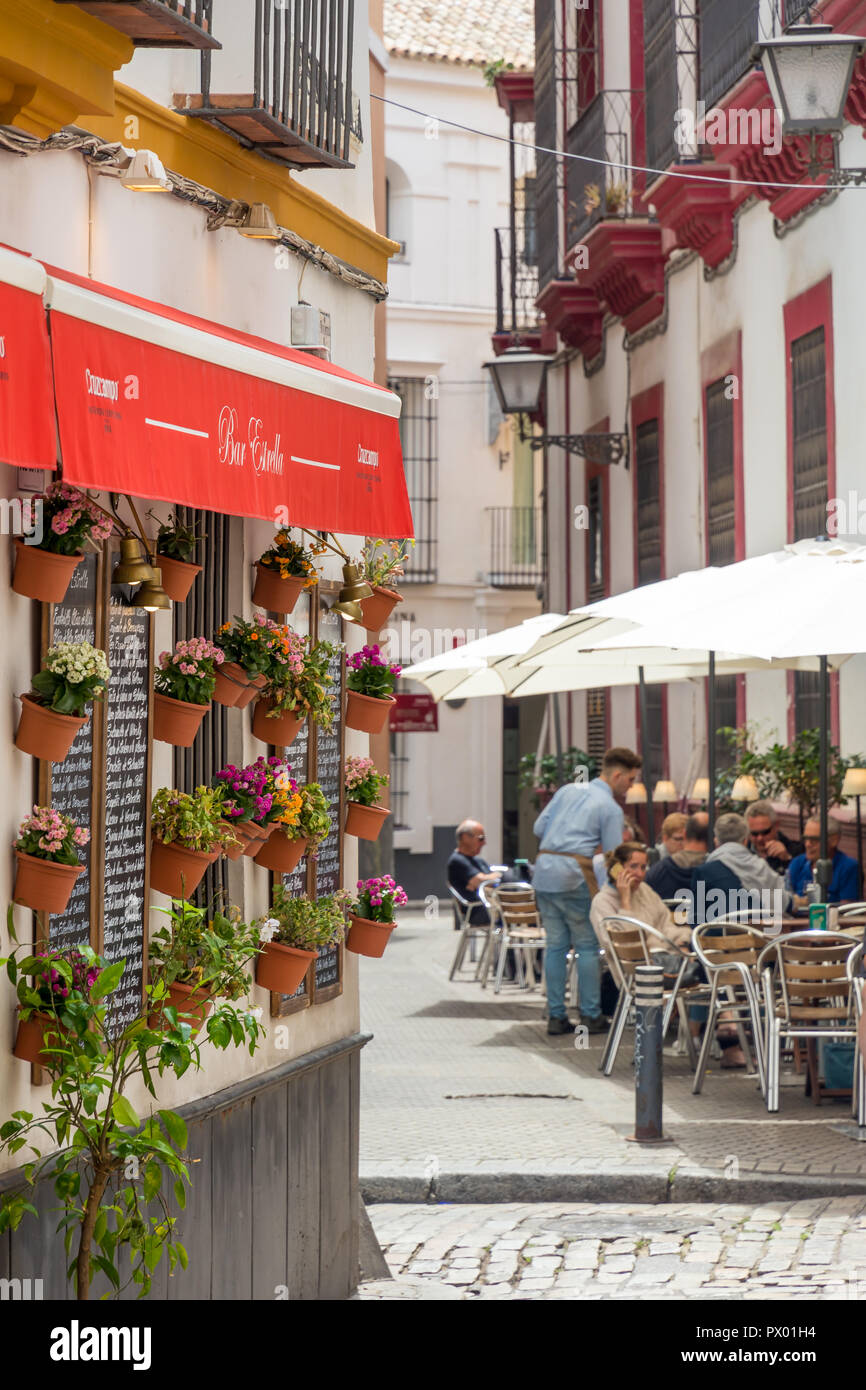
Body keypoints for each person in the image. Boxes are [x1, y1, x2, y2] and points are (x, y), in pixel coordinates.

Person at [533, 746, 642, 1035]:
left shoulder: (567, 790)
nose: (630, 787)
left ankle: (556, 1016)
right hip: (574, 876)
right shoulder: (610, 808)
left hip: (543, 872)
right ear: (617, 775)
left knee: (555, 945)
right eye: (630, 780)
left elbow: (538, 828)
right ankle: (591, 1015)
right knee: (586, 946)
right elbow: (612, 856)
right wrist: (628, 887)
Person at [691, 812, 791, 921]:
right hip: (763, 936)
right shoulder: (762, 867)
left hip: (720, 936)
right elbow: (787, 903)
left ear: (716, 841)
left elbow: (696, 920)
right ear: (745, 840)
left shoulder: (704, 872)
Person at [590, 841, 691, 948]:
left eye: (643, 867)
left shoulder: (644, 890)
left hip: (664, 956)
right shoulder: (602, 902)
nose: (640, 873)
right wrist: (625, 902)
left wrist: (681, 940)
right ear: (617, 869)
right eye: (633, 866)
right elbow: (624, 945)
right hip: (635, 962)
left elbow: (665, 924)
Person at [788, 816, 860, 908]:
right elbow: (786, 900)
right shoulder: (797, 863)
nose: (807, 844)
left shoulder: (848, 867)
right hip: (795, 920)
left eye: (814, 840)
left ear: (834, 840)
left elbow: (846, 910)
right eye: (805, 838)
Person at [446, 820, 501, 926]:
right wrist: (496, 876)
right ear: (465, 837)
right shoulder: (457, 860)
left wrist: (485, 880)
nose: (484, 843)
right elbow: (480, 881)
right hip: (477, 910)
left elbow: (486, 882)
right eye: (481, 839)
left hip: (488, 906)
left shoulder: (478, 861)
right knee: (518, 912)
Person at [645, 815, 708, 902]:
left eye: (686, 839)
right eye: (678, 839)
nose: (683, 844)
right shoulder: (654, 864)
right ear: (665, 838)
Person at [745, 799, 802, 875]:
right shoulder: (741, 852)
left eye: (765, 832)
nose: (760, 838)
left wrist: (787, 859)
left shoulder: (796, 851)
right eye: (754, 833)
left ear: (776, 826)